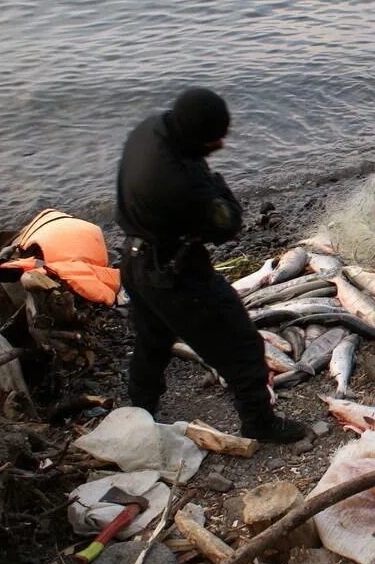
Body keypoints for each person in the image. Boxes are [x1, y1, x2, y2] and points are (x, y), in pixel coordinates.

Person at [116, 88, 306, 443]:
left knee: (153, 338)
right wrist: (217, 186)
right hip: (176, 275)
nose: (220, 144)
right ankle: (259, 422)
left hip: (135, 263)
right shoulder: (182, 185)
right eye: (215, 139)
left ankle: (140, 408)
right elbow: (228, 224)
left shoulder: (149, 129)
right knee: (241, 344)